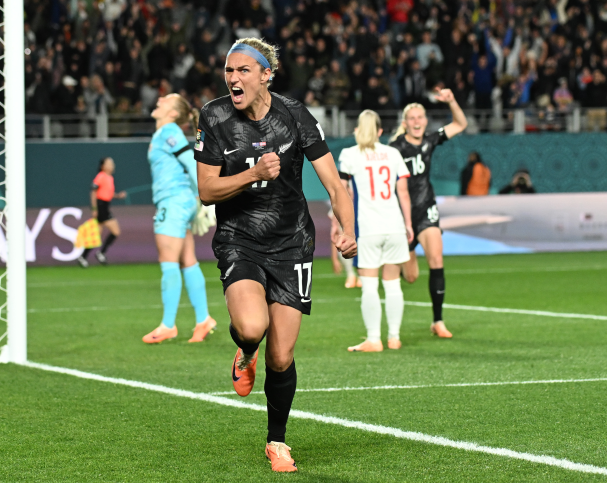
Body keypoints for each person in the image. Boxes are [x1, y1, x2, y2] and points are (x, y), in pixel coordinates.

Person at [195, 38, 356, 473]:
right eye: (229, 71)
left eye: (243, 70)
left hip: (291, 242)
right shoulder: (213, 116)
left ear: (267, 74)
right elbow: (207, 190)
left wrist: (347, 228)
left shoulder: (296, 116)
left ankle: (277, 442)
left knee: (281, 357)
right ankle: (244, 352)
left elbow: (335, 184)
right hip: (239, 238)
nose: (233, 79)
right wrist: (252, 174)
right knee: (251, 327)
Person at [389, 90, 468, 339]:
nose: (416, 121)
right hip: (403, 215)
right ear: (405, 123)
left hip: (427, 209)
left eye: (420, 117)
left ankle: (438, 321)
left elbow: (460, 124)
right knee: (411, 277)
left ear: (425, 121)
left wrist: (452, 100)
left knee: (436, 259)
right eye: (411, 118)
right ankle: (402, 262)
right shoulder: (394, 149)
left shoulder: (431, 140)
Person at [141, 94, 218, 344]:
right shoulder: (165, 132)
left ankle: (168, 325)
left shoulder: (168, 131)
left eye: (167, 99)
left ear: (173, 113)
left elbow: (190, 160)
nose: (160, 98)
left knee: (168, 261)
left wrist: (205, 197)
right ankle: (203, 319)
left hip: (173, 200)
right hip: (181, 199)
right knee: (188, 261)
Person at [338, 110, 414, 352]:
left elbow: (342, 193)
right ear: (381, 131)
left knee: (369, 285)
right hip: (395, 226)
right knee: (392, 284)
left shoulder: (349, 155)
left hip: (369, 228)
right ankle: (394, 337)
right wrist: (409, 224)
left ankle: (374, 339)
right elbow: (403, 192)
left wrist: (339, 226)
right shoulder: (393, 153)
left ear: (358, 129)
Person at [77, 157, 126, 268]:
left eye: (112, 163)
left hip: (105, 205)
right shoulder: (100, 177)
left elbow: (109, 193)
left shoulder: (110, 178)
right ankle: (101, 253)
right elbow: (93, 192)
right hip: (101, 206)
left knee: (97, 234)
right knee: (115, 231)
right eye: (109, 163)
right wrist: (94, 209)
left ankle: (84, 257)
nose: (112, 165)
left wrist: (118, 196)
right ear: (103, 166)